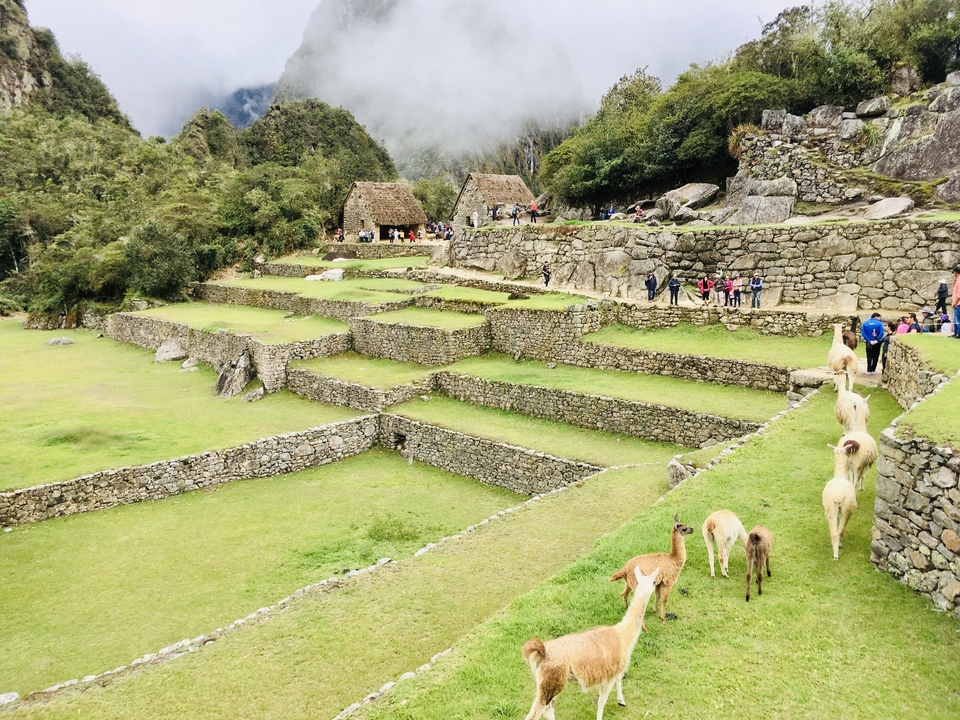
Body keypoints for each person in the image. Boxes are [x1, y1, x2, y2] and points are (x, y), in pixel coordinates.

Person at [952, 265, 960, 338]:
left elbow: (959, 294)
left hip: (958, 303)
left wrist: (955, 302)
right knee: (955, 319)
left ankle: (959, 333)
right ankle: (956, 332)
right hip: (956, 303)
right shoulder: (957, 280)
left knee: (958, 319)